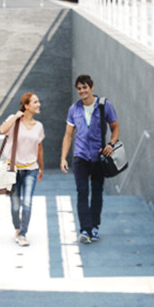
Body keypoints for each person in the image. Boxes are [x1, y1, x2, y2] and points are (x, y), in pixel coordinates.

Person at [60, 75, 120, 244]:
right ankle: (85, 230)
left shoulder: (104, 106)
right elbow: (68, 135)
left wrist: (111, 144)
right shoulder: (74, 109)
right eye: (79, 88)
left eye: (85, 87)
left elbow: (115, 127)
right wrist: (63, 157)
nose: (82, 91)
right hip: (80, 157)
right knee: (82, 191)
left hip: (99, 157)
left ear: (91, 87)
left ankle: (94, 227)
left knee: (97, 192)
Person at [0, 93, 44, 247]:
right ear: (26, 105)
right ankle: (17, 228)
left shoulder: (39, 126)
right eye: (35, 102)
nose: (38, 104)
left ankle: (23, 234)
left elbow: (39, 148)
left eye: (38, 102)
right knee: (15, 206)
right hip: (13, 170)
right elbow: (2, 130)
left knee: (27, 202)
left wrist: (41, 168)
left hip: (31, 169)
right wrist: (16, 116)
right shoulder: (14, 120)